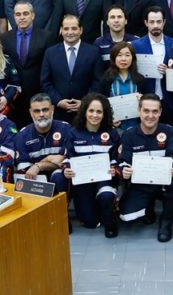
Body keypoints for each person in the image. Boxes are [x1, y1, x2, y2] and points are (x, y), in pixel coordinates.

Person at [118, 94, 173, 242]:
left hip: (163, 183)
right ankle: (148, 208)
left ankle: (166, 222)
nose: (150, 116)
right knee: (126, 217)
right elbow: (123, 162)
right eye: (146, 111)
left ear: (160, 112)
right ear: (139, 111)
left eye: (155, 111)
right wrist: (124, 171)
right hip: (141, 184)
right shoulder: (129, 135)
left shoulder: (168, 131)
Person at [63, 93, 121, 237]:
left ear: (104, 113)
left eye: (99, 111)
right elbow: (68, 158)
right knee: (90, 222)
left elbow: (116, 160)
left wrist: (114, 170)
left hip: (104, 179)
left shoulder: (112, 133)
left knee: (106, 196)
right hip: (82, 181)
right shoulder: (73, 133)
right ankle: (97, 211)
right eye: (91, 111)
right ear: (84, 111)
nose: (95, 115)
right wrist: (67, 170)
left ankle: (110, 221)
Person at [40, 14, 103, 124]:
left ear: (81, 30)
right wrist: (58, 101)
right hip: (58, 113)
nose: (70, 32)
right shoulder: (50, 52)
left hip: (86, 113)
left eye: (74, 28)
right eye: (66, 28)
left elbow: (98, 81)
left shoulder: (93, 52)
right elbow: (45, 81)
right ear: (61, 30)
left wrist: (84, 102)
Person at [1, 1, 55, 127]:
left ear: (33, 15)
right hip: (14, 98)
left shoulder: (46, 37)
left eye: (25, 13)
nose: (22, 17)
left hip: (38, 94)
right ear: (14, 17)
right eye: (18, 14)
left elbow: (51, 67)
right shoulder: (5, 38)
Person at [13, 93, 71, 195]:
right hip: (35, 182)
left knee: (59, 176)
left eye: (45, 110)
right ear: (31, 112)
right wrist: (47, 160)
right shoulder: (22, 136)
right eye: (36, 111)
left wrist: (39, 165)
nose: (41, 114)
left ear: (52, 109)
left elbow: (65, 162)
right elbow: (25, 171)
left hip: (60, 178)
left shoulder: (66, 129)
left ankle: (63, 208)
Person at [131, 6, 173, 124]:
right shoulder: (135, 46)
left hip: (168, 101)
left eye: (159, 21)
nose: (155, 25)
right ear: (146, 23)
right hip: (145, 102)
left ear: (164, 22)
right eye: (152, 22)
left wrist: (169, 72)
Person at [95, 41, 147, 132]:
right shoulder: (106, 79)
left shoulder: (140, 80)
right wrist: (109, 120)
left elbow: (149, 102)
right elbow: (99, 103)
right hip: (113, 128)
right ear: (113, 58)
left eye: (127, 55)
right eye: (119, 55)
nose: (123, 59)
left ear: (133, 58)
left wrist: (144, 100)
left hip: (137, 128)